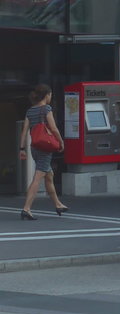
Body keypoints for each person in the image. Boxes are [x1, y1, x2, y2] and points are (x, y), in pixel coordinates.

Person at [18, 84, 67, 220]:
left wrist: (22, 149)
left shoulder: (30, 111)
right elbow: (53, 128)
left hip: (35, 148)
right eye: (50, 95)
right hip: (46, 148)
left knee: (49, 175)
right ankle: (26, 209)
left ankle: (58, 204)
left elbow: (24, 132)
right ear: (47, 95)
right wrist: (61, 141)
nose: (50, 97)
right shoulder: (46, 108)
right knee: (38, 178)